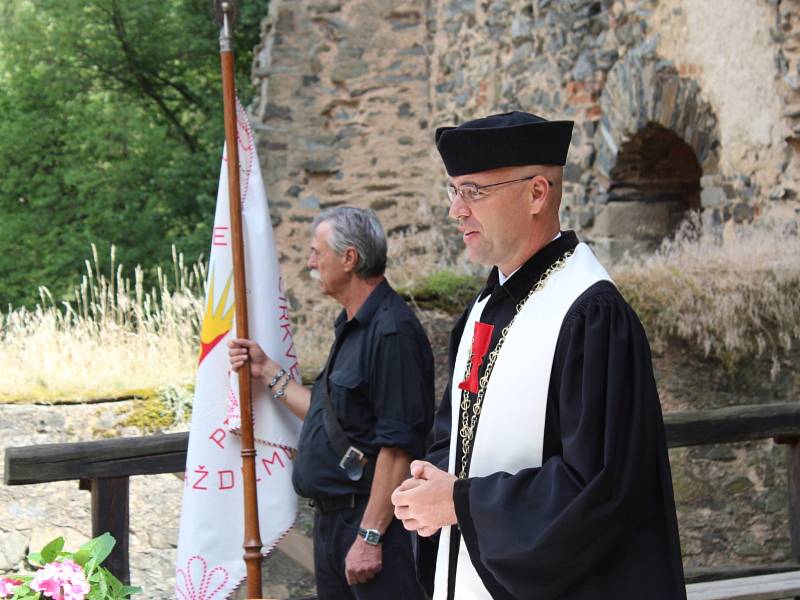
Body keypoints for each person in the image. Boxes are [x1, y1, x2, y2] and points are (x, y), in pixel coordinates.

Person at [391, 112, 686, 599]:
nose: (456, 211)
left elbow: (599, 488)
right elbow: (455, 432)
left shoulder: (591, 315)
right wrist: (432, 481)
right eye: (453, 192)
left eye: (474, 192)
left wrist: (460, 503)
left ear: (537, 193)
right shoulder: (483, 309)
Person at [230, 206, 433, 600]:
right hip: (335, 524)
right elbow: (329, 417)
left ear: (349, 258)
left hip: (371, 526)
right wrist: (266, 369)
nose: (309, 262)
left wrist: (370, 536)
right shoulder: (352, 326)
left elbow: (399, 447)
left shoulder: (392, 332)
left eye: (316, 252)